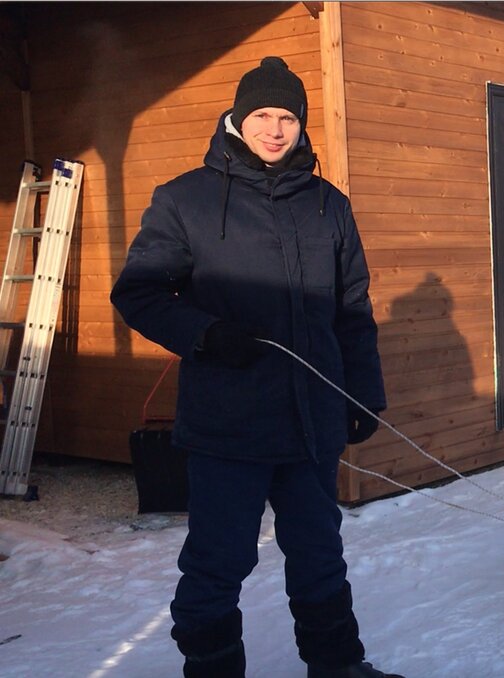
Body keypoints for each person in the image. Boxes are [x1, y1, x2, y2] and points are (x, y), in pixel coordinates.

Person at [111, 56, 400, 678]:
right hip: (228, 426)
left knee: (319, 554)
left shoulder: (329, 205)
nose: (274, 129)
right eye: (262, 115)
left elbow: (352, 308)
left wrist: (362, 394)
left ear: (302, 124)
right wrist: (207, 335)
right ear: (238, 120)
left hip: (310, 423)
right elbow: (138, 293)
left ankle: (338, 666)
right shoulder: (185, 199)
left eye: (287, 117)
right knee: (217, 562)